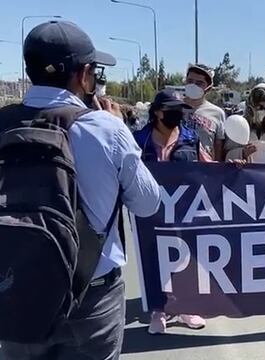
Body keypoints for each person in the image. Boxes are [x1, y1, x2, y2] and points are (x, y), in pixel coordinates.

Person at [0, 21, 161, 359]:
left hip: (13, 289)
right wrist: (120, 130)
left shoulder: (3, 123)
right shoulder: (106, 128)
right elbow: (147, 204)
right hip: (90, 298)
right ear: (85, 75)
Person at [133, 89, 211, 334]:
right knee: (153, 259)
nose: (176, 116)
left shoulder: (190, 138)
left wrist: (234, 167)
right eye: (171, 111)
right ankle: (159, 310)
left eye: (180, 112)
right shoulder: (139, 140)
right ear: (157, 112)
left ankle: (186, 307)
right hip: (150, 213)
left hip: (183, 211)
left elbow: (209, 167)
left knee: (184, 258)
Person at [226, 84, 265, 164]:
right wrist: (242, 153)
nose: (263, 111)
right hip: (245, 173)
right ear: (251, 106)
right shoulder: (240, 124)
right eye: (259, 107)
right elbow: (227, 154)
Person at [183, 63, 226, 161]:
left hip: (204, 170)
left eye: (199, 83)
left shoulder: (217, 113)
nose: (193, 85)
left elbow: (218, 146)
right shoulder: (173, 107)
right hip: (179, 167)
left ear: (208, 88)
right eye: (190, 81)